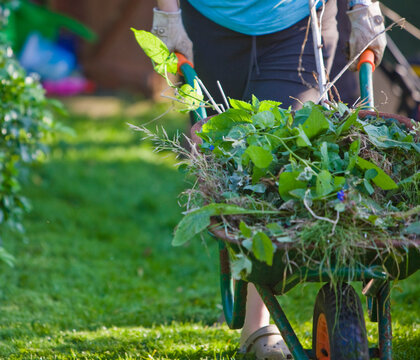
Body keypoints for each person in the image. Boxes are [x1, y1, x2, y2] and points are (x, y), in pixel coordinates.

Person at [151, 0, 386, 359]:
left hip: (299, 24)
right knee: (231, 164)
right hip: (211, 23)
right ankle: (258, 323)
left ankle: (260, 322)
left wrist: (363, 6)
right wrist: (168, 15)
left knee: (277, 159)